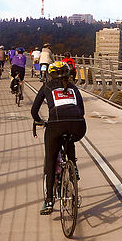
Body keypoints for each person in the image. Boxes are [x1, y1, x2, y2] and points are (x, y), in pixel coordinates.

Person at [31, 61, 87, 215]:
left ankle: (49, 200)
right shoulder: (74, 88)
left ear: (50, 74)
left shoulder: (47, 86)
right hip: (79, 126)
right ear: (68, 74)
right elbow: (81, 111)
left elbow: (34, 110)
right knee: (69, 137)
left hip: (56, 125)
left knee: (51, 159)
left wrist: (39, 120)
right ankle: (73, 167)